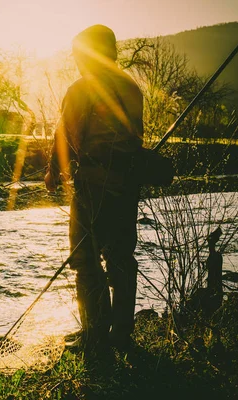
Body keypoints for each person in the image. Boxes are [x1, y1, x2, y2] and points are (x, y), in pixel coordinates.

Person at [45, 25, 144, 351]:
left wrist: (53, 172)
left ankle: (94, 335)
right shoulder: (132, 88)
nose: (75, 61)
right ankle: (122, 334)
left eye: (77, 54)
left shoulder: (80, 90)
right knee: (121, 258)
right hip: (127, 187)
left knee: (85, 259)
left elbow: (65, 137)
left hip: (93, 188)